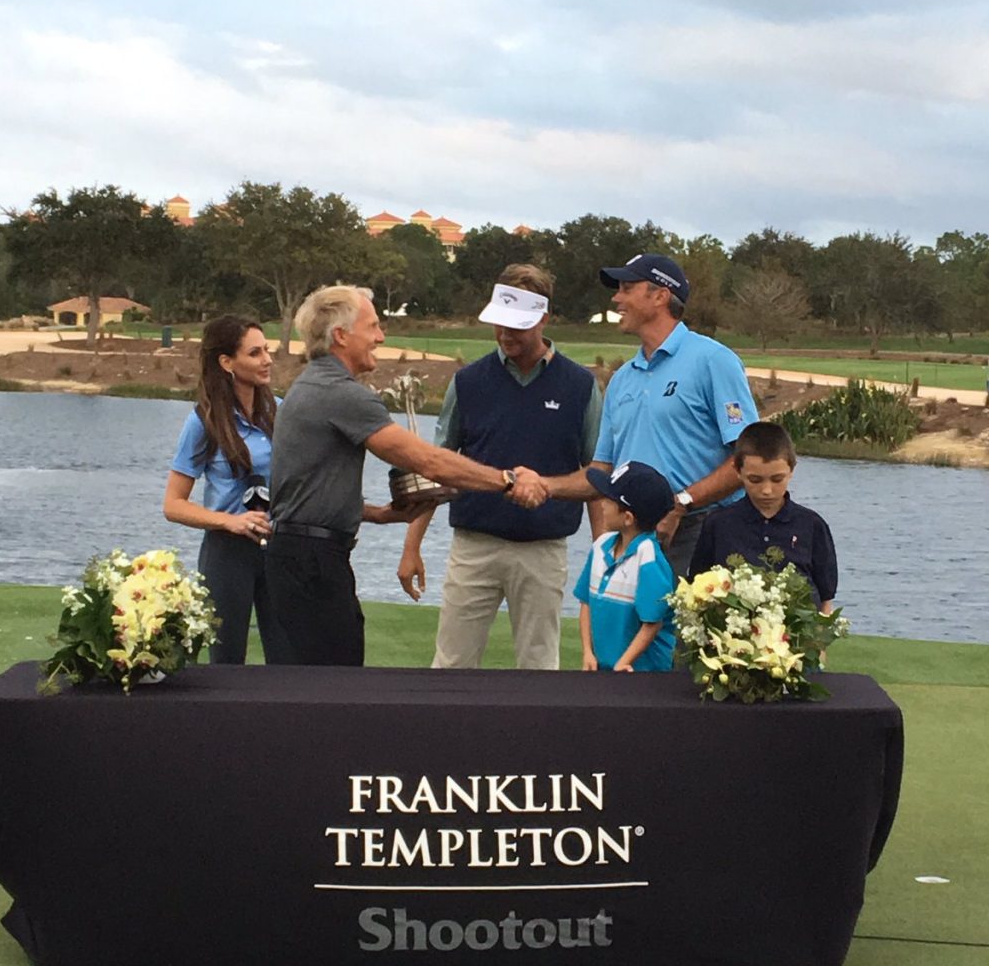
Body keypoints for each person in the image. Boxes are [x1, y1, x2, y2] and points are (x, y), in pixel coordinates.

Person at [265, 284, 548, 666]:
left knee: (311, 688)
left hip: (299, 557)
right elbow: (427, 462)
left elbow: (307, 489)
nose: (381, 337)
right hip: (313, 564)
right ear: (341, 336)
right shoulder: (342, 394)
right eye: (374, 326)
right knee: (331, 693)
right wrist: (507, 481)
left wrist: (380, 514)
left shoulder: (311, 385)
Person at [397, 264, 602, 670]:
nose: (506, 334)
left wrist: (602, 556)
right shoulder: (468, 381)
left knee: (540, 668)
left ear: (544, 318)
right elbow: (437, 466)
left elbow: (595, 474)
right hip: (474, 545)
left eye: (517, 326)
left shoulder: (579, 386)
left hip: (544, 550)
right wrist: (411, 546)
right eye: (499, 324)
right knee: (452, 667)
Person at [544, 253, 759, 579]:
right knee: (630, 630)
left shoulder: (714, 360)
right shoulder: (622, 379)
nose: (617, 298)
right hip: (636, 533)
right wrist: (542, 486)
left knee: (690, 631)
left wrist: (680, 504)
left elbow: (749, 457)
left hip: (703, 530)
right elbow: (603, 470)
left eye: (627, 288)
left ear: (660, 295)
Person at [163, 315, 290, 663]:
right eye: (255, 353)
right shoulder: (203, 420)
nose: (267, 360)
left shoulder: (281, 411)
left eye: (267, 350)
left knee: (287, 659)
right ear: (226, 362)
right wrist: (229, 522)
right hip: (227, 552)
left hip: (279, 549)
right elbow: (173, 505)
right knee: (226, 661)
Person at [688, 421, 838, 612]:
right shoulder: (718, 525)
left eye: (777, 479)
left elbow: (826, 599)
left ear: (792, 469)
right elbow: (699, 586)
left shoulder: (812, 526)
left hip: (795, 637)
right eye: (755, 480)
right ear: (737, 471)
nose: (767, 490)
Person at [574, 461, 677, 672]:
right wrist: (587, 651)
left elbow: (652, 623)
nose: (601, 503)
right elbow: (586, 602)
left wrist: (624, 662)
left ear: (628, 518)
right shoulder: (601, 545)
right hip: (604, 670)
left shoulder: (649, 559)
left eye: (609, 500)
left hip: (644, 675)